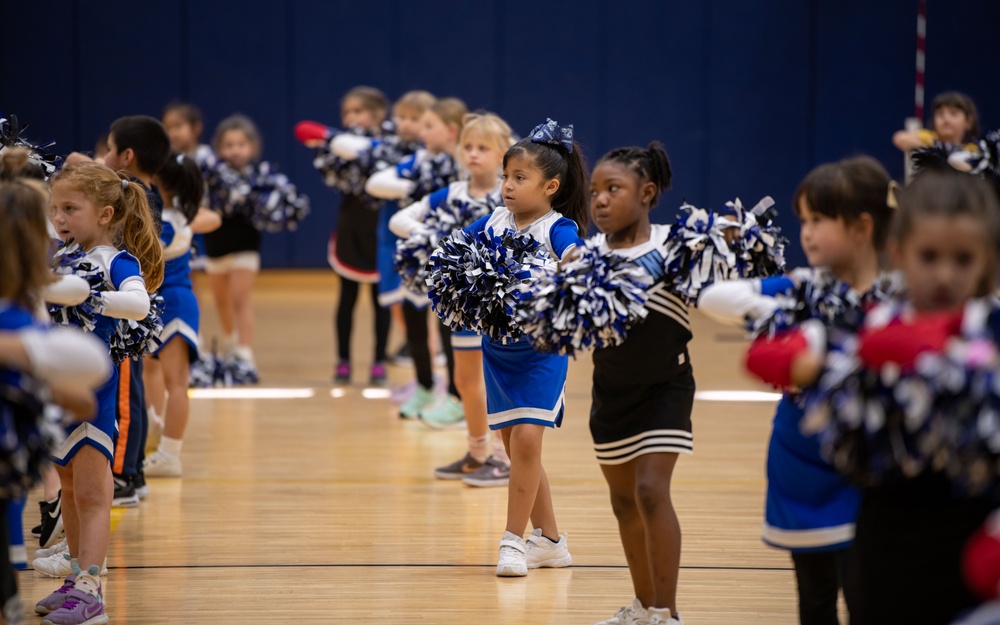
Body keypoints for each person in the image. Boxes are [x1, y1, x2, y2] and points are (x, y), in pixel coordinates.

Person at [763, 170, 1000, 624]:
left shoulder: (993, 330)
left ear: (987, 258)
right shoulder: (873, 325)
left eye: (964, 259)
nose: (945, 274)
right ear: (899, 253)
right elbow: (817, 355)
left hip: (975, 539)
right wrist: (802, 362)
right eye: (929, 256)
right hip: (886, 538)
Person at [700, 156, 895, 625]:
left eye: (819, 220)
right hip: (800, 460)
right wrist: (775, 311)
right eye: (803, 219)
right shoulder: (805, 287)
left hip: (869, 464)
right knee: (815, 597)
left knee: (871, 597)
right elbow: (712, 298)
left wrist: (829, 346)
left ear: (862, 226)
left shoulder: (900, 294)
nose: (806, 232)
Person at [436, 118, 588, 577]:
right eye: (506, 176)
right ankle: (553, 543)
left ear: (551, 186)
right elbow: (457, 249)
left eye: (519, 178)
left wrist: (578, 263)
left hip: (542, 350)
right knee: (522, 450)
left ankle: (512, 542)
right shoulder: (496, 219)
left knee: (524, 442)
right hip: (498, 351)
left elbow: (573, 250)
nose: (507, 186)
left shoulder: (554, 227)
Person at [36, 161, 164, 624]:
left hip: (93, 392)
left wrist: (91, 297)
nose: (60, 218)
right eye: (55, 208)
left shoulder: (115, 260)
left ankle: (92, 591)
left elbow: (140, 301)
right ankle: (75, 577)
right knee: (68, 488)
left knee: (91, 492)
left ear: (106, 214)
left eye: (71, 208)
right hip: (57, 390)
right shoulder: (64, 257)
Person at [585, 142, 688, 625]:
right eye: (594, 192)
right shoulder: (585, 257)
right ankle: (643, 607)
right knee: (624, 501)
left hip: (665, 388)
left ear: (647, 193)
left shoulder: (677, 247)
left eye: (613, 189)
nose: (600, 200)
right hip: (610, 394)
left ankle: (667, 614)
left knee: (650, 491)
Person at [389, 112, 513, 483]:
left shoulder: (508, 195)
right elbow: (401, 219)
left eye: (483, 148)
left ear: (503, 153)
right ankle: (477, 452)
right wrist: (435, 234)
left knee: (498, 382)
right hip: (465, 306)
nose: (474, 154)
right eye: (468, 147)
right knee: (465, 380)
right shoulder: (451, 194)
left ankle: (504, 458)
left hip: (499, 307)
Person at [367, 97, 466, 416]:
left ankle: (455, 396)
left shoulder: (466, 163)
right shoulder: (421, 161)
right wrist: (414, 184)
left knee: (449, 327)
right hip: (420, 253)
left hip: (455, 257)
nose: (422, 133)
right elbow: (376, 182)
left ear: (451, 130)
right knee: (414, 322)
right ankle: (424, 387)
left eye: (428, 126)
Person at [142, 151, 205, 478]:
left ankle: (171, 453)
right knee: (151, 373)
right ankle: (155, 435)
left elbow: (147, 253)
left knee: (177, 383)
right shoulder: (175, 215)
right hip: (160, 302)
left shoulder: (168, 221)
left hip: (175, 301)